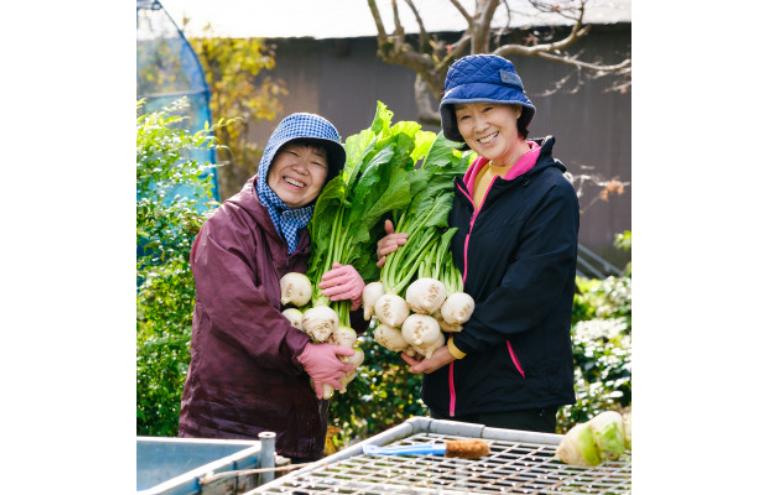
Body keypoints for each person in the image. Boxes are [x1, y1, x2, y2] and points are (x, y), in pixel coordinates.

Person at [377, 54, 580, 433]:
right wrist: (394, 253)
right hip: (448, 393)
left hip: (516, 395)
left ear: (517, 109)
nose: (478, 125)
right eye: (465, 115)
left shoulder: (550, 192)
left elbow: (526, 294)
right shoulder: (457, 186)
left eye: (488, 109)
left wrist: (450, 350)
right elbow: (448, 275)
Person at [179, 113, 366, 462]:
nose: (301, 169)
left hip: (299, 433)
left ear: (328, 178)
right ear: (270, 158)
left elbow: (332, 327)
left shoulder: (323, 234)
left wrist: (357, 299)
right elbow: (237, 309)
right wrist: (305, 352)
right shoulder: (227, 226)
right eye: (292, 155)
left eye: (317, 162)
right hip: (226, 431)